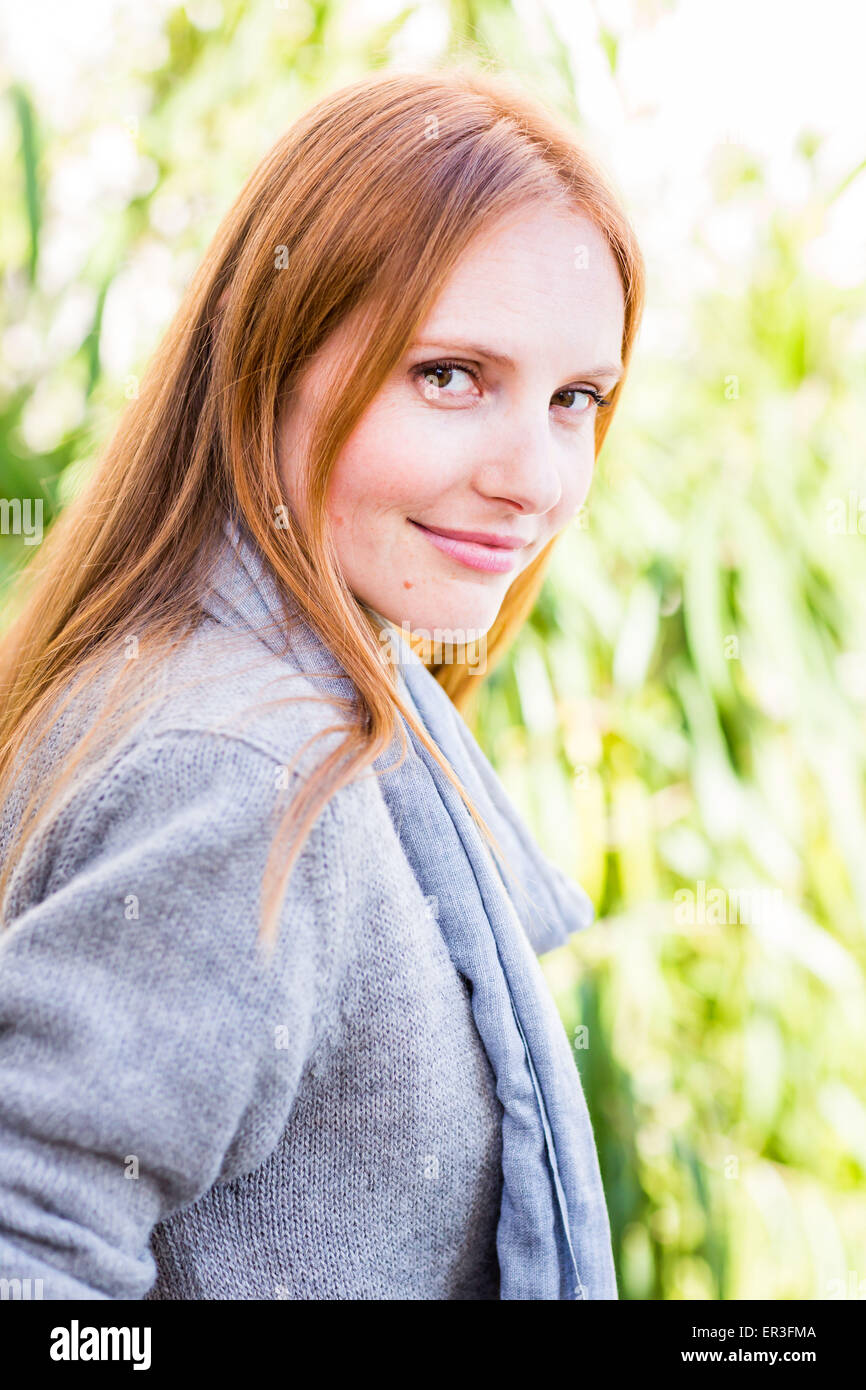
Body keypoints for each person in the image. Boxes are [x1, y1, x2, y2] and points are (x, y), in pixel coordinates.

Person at [0, 66, 644, 1301]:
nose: (533, 477)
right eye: (449, 375)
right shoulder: (245, 769)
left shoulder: (269, 689)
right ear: (270, 360)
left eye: (575, 400)